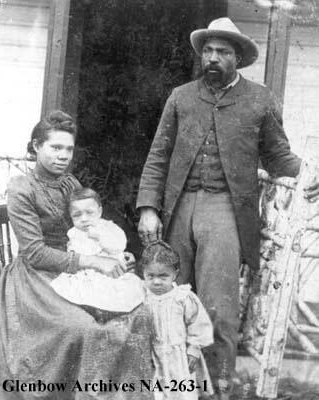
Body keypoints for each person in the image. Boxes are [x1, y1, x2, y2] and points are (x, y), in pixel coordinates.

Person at [136, 17, 319, 400]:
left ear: (238, 58)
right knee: (167, 298)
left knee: (219, 307)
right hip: (179, 206)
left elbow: (278, 155)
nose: (213, 58)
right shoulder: (181, 97)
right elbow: (157, 156)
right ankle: (167, 384)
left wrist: (310, 172)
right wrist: (149, 207)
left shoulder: (260, 99)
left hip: (225, 209)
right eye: (208, 51)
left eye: (222, 52)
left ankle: (218, 388)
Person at [0, 110, 153, 400]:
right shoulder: (21, 188)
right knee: (81, 327)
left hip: (78, 268)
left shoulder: (70, 184)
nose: (63, 155)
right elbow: (34, 253)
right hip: (36, 277)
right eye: (55, 147)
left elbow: (89, 227)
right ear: (35, 147)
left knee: (137, 314)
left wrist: (115, 253)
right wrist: (95, 262)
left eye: (69, 149)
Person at [141, 241, 214, 400]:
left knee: (180, 390)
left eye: (163, 276)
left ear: (175, 274)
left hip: (177, 355)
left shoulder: (182, 297)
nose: (156, 282)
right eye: (150, 276)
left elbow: (198, 323)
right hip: (151, 354)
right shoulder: (142, 297)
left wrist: (194, 348)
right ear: (143, 274)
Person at [51, 187, 144, 312]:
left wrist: (99, 236)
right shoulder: (74, 233)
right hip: (87, 274)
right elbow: (73, 254)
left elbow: (119, 245)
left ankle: (111, 310)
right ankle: (94, 310)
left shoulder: (107, 227)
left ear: (99, 212)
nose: (84, 219)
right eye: (77, 215)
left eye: (89, 213)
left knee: (120, 292)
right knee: (80, 293)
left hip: (111, 272)